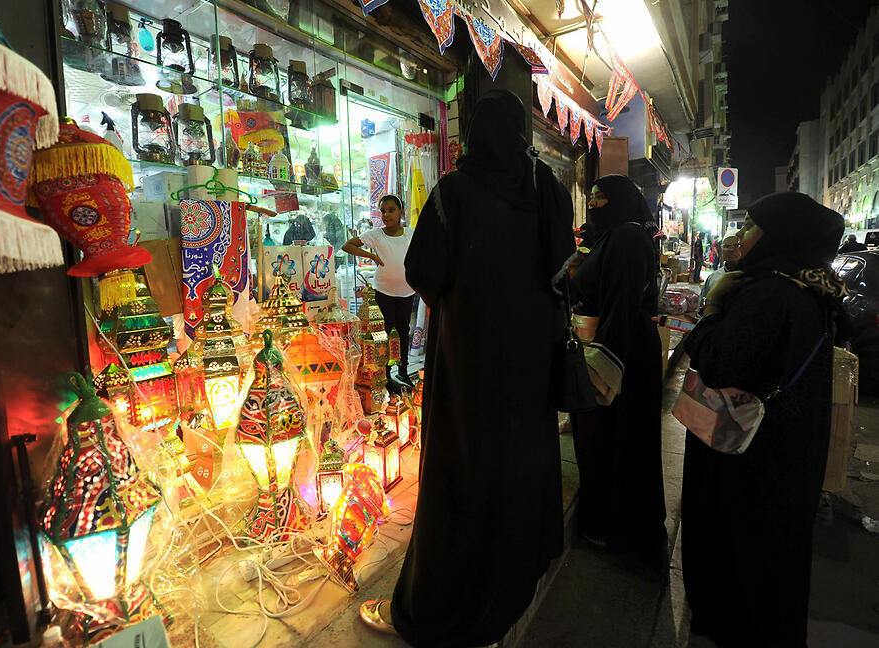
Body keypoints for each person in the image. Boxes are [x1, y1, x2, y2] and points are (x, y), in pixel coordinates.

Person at [358, 90, 574, 646]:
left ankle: (437, 604)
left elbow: (422, 271)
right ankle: (512, 581)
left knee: (462, 470)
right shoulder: (546, 188)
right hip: (530, 362)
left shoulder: (454, 192)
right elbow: (560, 272)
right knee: (518, 462)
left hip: (470, 362)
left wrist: (468, 297)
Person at [681, 193, 846, 647]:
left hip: (751, 460)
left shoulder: (770, 294)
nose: (740, 235)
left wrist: (712, 306)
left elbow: (717, 361)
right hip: (780, 455)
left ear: (780, 236)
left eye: (752, 227)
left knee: (743, 558)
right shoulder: (806, 288)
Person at [567, 175, 667, 561]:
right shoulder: (608, 237)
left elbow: (622, 304)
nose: (594, 202)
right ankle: (610, 524)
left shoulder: (626, 238)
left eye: (602, 197)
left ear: (623, 201)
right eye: (591, 196)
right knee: (606, 443)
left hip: (619, 354)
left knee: (616, 443)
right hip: (610, 347)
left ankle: (618, 530)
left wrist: (601, 366)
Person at [341, 194, 416, 386]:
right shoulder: (376, 235)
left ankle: (404, 371)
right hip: (384, 292)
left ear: (401, 212)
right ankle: (386, 374)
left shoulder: (410, 233)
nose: (386, 215)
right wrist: (371, 256)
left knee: (402, 332)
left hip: (407, 292)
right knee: (384, 333)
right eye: (383, 211)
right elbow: (347, 245)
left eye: (391, 210)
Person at [697, 234, 741, 317]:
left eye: (736, 246)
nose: (731, 249)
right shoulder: (713, 278)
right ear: (721, 250)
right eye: (727, 246)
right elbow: (702, 307)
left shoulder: (752, 278)